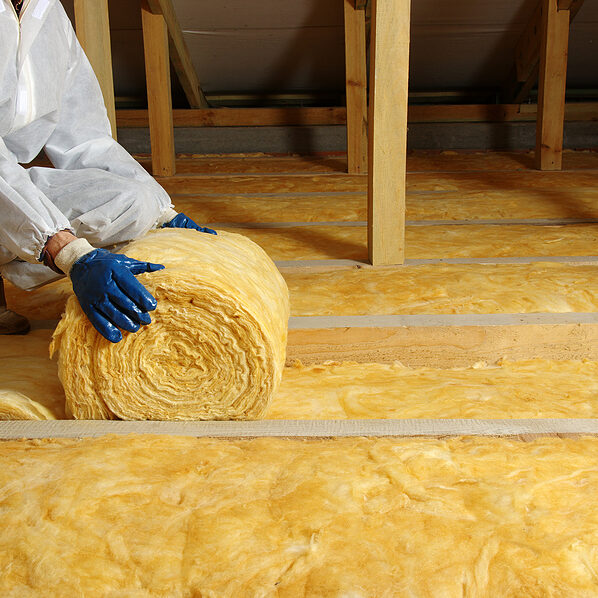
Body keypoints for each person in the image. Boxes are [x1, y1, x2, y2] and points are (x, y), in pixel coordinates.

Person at [0, 0, 214, 343]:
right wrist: (66, 250)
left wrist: (160, 214)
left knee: (134, 200)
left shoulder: (45, 10)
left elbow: (83, 136)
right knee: (41, 229)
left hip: (7, 179)